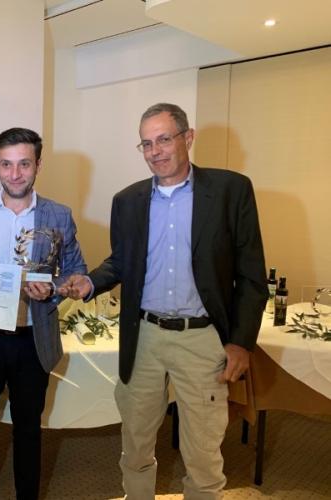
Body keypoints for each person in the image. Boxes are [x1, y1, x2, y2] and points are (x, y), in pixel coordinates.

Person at [60, 103, 268, 499]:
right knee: (135, 442)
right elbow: (122, 260)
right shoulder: (127, 200)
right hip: (145, 337)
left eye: (163, 139)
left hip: (202, 338)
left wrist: (241, 342)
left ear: (187, 138)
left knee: (203, 452)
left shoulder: (231, 190)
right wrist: (88, 282)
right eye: (146, 143)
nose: (155, 151)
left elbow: (252, 275)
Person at [0, 127, 87, 500]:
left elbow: (77, 272)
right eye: (6, 164)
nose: (15, 174)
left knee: (28, 431)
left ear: (38, 165)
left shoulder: (59, 215)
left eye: (24, 164)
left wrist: (53, 289)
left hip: (32, 342)